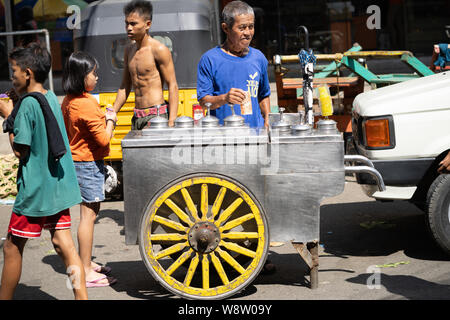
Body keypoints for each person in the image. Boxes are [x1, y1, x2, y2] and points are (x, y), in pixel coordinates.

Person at [0, 43, 88, 300]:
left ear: (27, 73)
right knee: (65, 245)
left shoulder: (27, 105)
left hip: (36, 191)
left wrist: (8, 116)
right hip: (57, 187)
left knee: (11, 247)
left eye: (13, 70)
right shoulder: (49, 96)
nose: (11, 75)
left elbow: (20, 151)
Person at [61, 52, 117, 288]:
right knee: (88, 217)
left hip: (78, 162)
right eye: (93, 73)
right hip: (86, 164)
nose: (96, 77)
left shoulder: (69, 100)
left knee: (90, 213)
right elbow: (104, 140)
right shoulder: (86, 104)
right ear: (82, 77)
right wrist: (111, 119)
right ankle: (84, 269)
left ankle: (87, 261)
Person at [197, 0, 270, 128]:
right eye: (242, 28)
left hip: (255, 134)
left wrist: (267, 121)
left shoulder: (259, 58)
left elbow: (264, 95)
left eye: (251, 27)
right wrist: (225, 98)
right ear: (226, 28)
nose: (247, 33)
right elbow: (203, 101)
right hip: (223, 136)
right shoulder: (210, 60)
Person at [112, 0, 179, 129]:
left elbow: (173, 85)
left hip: (157, 116)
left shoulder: (159, 49)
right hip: (137, 117)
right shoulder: (128, 51)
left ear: (147, 24)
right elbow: (125, 86)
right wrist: (113, 111)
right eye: (126, 23)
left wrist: (171, 122)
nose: (129, 28)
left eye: (133, 24)